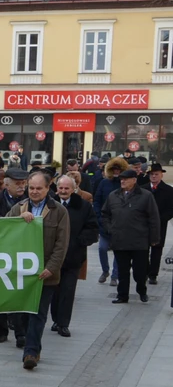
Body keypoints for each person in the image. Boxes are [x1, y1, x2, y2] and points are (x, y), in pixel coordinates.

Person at [7, 171, 70, 370]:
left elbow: (62, 244)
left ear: (47, 188)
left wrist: (51, 268)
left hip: (45, 275)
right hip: (22, 273)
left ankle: (31, 352)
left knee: (38, 314)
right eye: (31, 188)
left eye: (38, 188)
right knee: (23, 313)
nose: (34, 192)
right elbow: (3, 231)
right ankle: (32, 345)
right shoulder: (18, 207)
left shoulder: (59, 211)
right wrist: (18, 219)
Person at [49, 176, 98, 337]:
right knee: (54, 291)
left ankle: (64, 323)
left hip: (73, 256)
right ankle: (56, 319)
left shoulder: (83, 206)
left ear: (74, 188)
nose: (63, 191)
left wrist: (80, 242)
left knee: (68, 291)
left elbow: (92, 227)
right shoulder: (50, 204)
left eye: (67, 188)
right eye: (61, 188)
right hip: (53, 256)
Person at [102, 169, 160, 304]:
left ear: (134, 180)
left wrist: (154, 239)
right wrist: (110, 229)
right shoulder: (113, 196)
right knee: (122, 271)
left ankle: (142, 290)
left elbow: (154, 218)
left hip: (139, 241)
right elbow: (105, 214)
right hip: (120, 240)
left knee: (140, 272)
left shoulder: (145, 196)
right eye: (121, 179)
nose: (122, 181)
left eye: (126, 179)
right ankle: (122, 295)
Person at [0, 169, 29, 345]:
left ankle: (21, 333)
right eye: (17, 183)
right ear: (7, 184)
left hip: (21, 252)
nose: (21, 187)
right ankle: (0, 330)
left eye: (23, 183)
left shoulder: (30, 203)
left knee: (19, 293)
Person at [93, 157, 127, 286]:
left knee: (118, 250)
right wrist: (98, 215)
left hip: (120, 223)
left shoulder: (124, 184)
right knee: (102, 248)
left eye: (119, 169)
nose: (116, 171)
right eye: (114, 169)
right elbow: (97, 200)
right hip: (104, 222)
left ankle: (115, 275)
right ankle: (105, 271)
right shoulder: (104, 183)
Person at [147, 163, 173, 285]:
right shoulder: (143, 188)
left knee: (157, 250)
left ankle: (153, 274)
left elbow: (171, 209)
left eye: (156, 174)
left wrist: (162, 219)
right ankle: (144, 271)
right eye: (152, 174)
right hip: (143, 225)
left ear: (161, 175)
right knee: (143, 249)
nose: (154, 176)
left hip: (160, 225)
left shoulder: (168, 190)